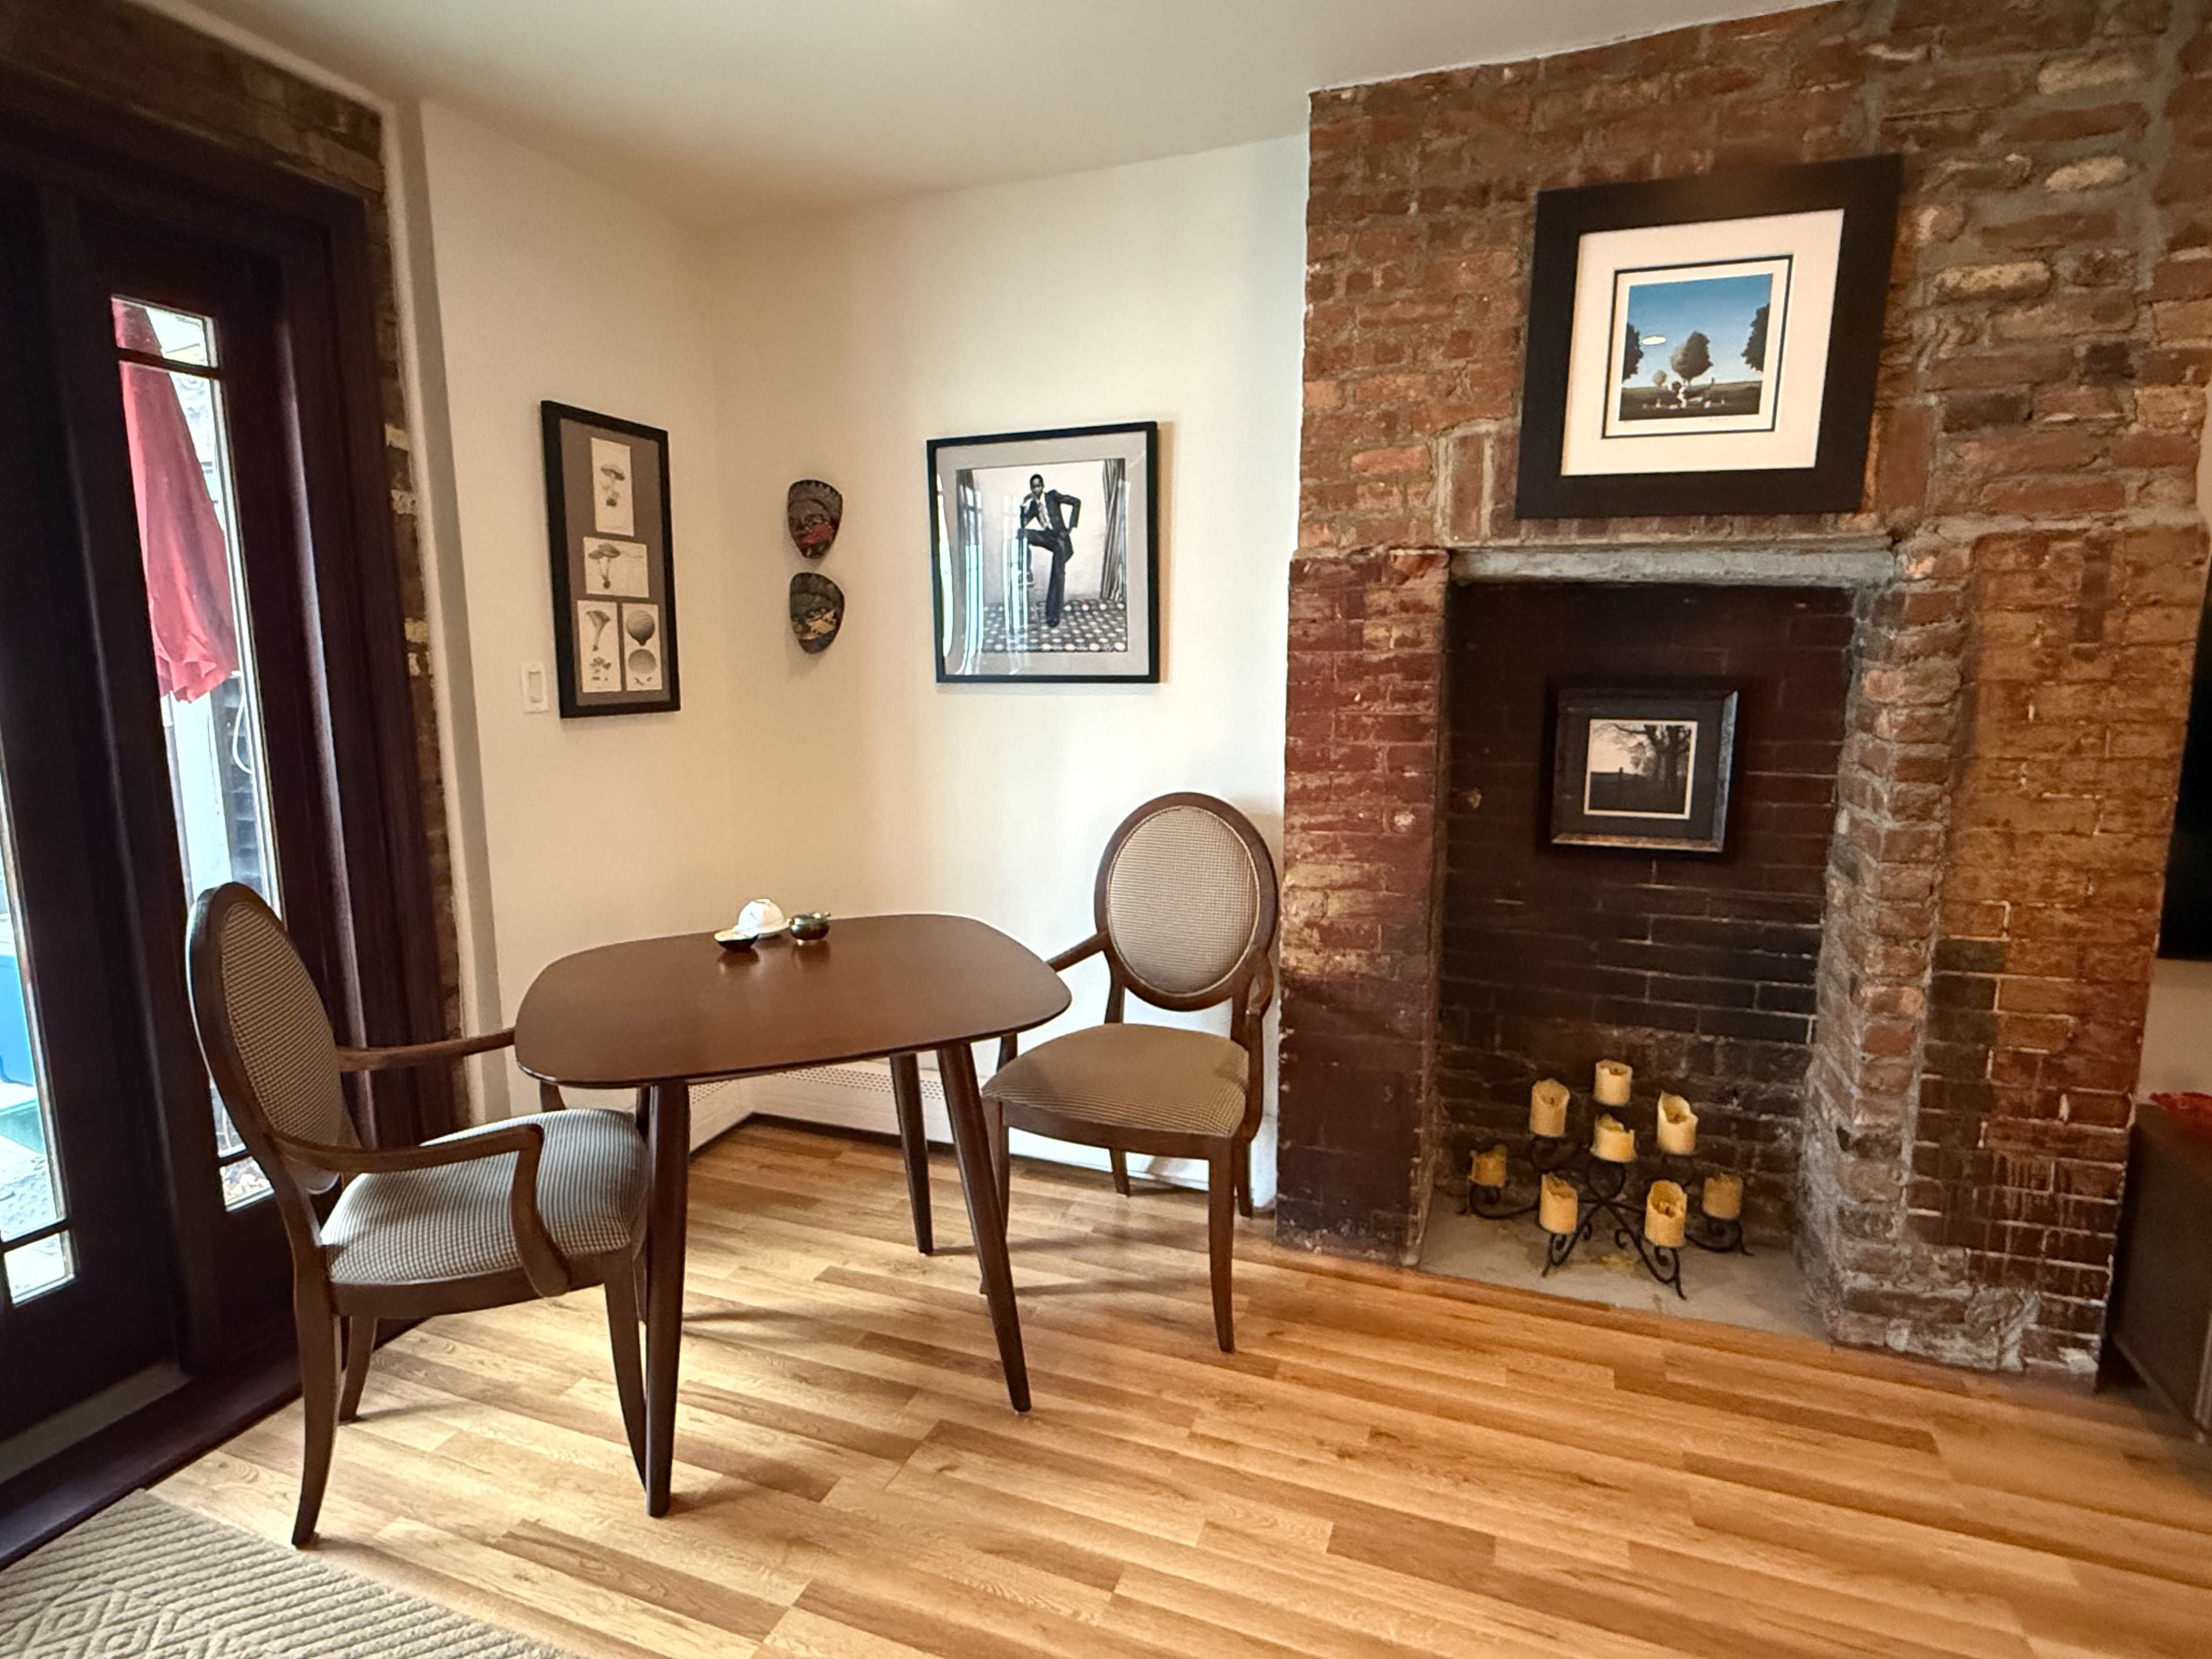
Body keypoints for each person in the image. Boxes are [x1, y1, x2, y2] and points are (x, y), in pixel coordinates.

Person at [1018, 473, 1081, 627]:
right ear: (1031, 489)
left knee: (1057, 575)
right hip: (1048, 538)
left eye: (1039, 486)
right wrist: (1023, 507)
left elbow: (1076, 502)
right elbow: (1024, 524)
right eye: (1033, 487)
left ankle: (1052, 616)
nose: (1036, 489)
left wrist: (1070, 528)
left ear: (1043, 486)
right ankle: (1024, 569)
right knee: (1022, 534)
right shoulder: (1033, 505)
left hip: (1061, 541)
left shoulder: (1053, 496)